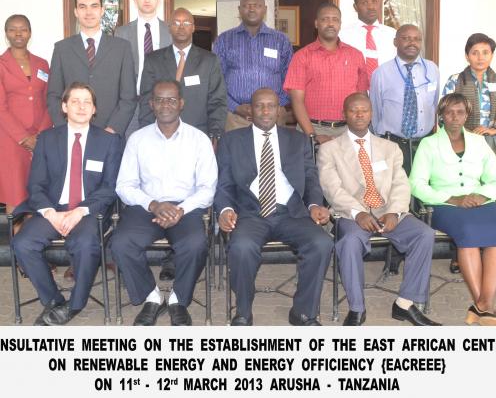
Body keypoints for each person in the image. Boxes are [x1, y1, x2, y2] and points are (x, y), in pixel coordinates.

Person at [317, 93, 439, 326]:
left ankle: (405, 304)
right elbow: (332, 189)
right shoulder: (329, 149)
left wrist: (395, 212)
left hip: (387, 210)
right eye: (353, 110)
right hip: (351, 213)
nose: (359, 114)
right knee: (349, 242)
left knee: (424, 234)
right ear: (344, 115)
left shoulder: (390, 148)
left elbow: (401, 184)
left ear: (371, 114)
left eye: (364, 110)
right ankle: (357, 308)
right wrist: (358, 213)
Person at [215, 88, 332, 326]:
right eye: (259, 105)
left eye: (271, 105)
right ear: (250, 110)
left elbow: (311, 178)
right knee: (241, 247)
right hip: (250, 213)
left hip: (291, 213)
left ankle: (303, 311)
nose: (266, 111)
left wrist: (314, 205)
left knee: (322, 243)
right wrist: (225, 210)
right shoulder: (231, 140)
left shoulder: (297, 140)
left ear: (280, 110)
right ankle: (243, 311)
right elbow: (223, 183)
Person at [11, 83, 121, 325]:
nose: (81, 107)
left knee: (85, 243)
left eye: (87, 102)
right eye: (75, 101)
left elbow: (110, 187)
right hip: (53, 209)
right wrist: (51, 213)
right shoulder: (47, 139)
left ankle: (75, 304)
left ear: (94, 109)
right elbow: (36, 184)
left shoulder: (109, 141)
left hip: (89, 211)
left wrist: (80, 211)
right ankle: (53, 300)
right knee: (23, 243)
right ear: (64, 107)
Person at [111, 80, 217, 326]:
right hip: (147, 207)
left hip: (186, 208)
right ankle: (153, 297)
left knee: (195, 244)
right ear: (151, 104)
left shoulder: (199, 139)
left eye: (171, 100)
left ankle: (178, 300)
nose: (165, 105)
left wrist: (180, 209)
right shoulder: (137, 139)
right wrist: (153, 205)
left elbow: (207, 188)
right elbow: (124, 185)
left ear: (181, 103)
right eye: (159, 100)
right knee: (121, 243)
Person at [410, 93, 496, 326]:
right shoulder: (429, 144)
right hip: (444, 205)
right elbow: (416, 184)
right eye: (449, 112)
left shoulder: (479, 142)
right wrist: (452, 199)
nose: (454, 117)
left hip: (480, 201)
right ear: (441, 115)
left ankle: (482, 305)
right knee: (468, 232)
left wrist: (482, 195)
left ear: (467, 115)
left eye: (460, 112)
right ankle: (484, 307)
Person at [47, 0, 136, 138]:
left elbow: (128, 97)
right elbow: (54, 95)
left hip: (110, 135)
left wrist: (113, 129)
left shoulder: (122, 48)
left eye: (94, 6)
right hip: (72, 135)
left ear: (102, 10)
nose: (88, 12)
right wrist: (66, 128)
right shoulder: (62, 48)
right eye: (83, 7)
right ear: (76, 12)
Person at [283, 3, 370, 144]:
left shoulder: (356, 55)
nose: (330, 24)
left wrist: (360, 132)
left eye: (335, 19)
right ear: (316, 23)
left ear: (340, 24)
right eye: (325, 19)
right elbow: (297, 101)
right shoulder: (302, 56)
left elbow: (362, 98)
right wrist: (312, 136)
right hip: (312, 129)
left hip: (349, 130)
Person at [139, 7, 227, 136]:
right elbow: (146, 100)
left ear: (193, 27)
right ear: (169, 28)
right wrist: (146, 133)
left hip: (198, 133)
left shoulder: (209, 61)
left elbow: (217, 101)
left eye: (186, 23)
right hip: (160, 133)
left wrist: (215, 132)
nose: (181, 27)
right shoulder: (153, 60)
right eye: (176, 23)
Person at [213, 0, 293, 130]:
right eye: (246, 6)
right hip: (236, 118)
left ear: (265, 9)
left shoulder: (281, 40)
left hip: (273, 117)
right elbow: (216, 80)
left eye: (256, 5)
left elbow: (290, 79)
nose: (251, 9)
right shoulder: (224, 40)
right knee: (236, 146)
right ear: (239, 10)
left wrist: (274, 106)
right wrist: (235, 107)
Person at [0, 15, 52, 218]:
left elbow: (49, 101)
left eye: (23, 29)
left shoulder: (42, 64)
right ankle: (16, 238)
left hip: (40, 138)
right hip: (11, 140)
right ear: (6, 34)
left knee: (37, 192)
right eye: (12, 29)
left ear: (30, 33)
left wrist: (40, 135)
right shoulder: (1, 64)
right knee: (15, 195)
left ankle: (32, 236)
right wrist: (24, 138)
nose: (18, 33)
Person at [370, 24, 439, 174]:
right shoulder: (381, 73)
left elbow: (434, 104)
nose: (412, 43)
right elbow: (375, 111)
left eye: (417, 39)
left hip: (425, 144)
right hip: (392, 144)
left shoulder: (432, 69)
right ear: (395, 42)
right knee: (395, 186)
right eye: (406, 38)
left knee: (423, 185)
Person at [115, 0, 172, 137]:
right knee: (132, 146)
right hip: (132, 104)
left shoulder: (171, 31)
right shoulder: (121, 33)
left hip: (163, 103)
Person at [442, 33, 496, 162]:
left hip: (495, 143)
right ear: (467, 56)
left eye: (485, 52)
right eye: (475, 53)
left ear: (492, 55)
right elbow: (443, 114)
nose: (480, 57)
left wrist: (494, 130)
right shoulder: (455, 80)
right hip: (461, 141)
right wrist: (465, 132)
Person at [340, 0, 396, 71]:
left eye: (374, 1)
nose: (371, 7)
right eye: (365, 3)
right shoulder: (342, 36)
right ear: (355, 7)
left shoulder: (393, 34)